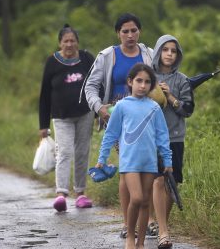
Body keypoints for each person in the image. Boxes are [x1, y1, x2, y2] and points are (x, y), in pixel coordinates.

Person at [84, 13, 163, 238]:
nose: (130, 35)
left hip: (146, 119)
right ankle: (129, 223)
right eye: (125, 31)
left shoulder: (148, 54)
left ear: (140, 32)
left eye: (134, 30)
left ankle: (146, 220)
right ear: (118, 33)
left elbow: (156, 83)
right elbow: (91, 86)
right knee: (128, 169)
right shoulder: (108, 56)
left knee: (146, 167)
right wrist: (99, 107)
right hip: (118, 120)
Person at [95, 63, 173, 249]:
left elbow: (163, 136)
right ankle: (131, 235)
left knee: (146, 202)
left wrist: (168, 161)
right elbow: (111, 134)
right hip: (129, 162)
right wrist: (101, 158)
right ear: (130, 81)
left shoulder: (154, 107)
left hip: (149, 162)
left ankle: (141, 243)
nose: (143, 85)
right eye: (139, 80)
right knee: (136, 198)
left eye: (147, 82)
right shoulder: (122, 106)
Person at [39, 24, 95, 212]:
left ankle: (80, 193)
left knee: (82, 152)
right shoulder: (52, 62)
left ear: (77, 42)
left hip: (85, 114)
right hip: (61, 116)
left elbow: (98, 83)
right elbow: (44, 94)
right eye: (66, 41)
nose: (69, 44)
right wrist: (43, 125)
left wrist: (100, 109)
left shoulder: (87, 58)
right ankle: (61, 194)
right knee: (64, 152)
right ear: (59, 43)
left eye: (73, 41)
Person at [151, 34, 195, 248]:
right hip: (151, 139)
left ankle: (161, 225)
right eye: (165, 49)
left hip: (175, 138)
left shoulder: (182, 80)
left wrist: (170, 97)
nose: (169, 54)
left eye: (173, 51)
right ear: (158, 51)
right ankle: (163, 231)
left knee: (171, 181)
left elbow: (188, 110)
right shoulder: (147, 76)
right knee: (158, 180)